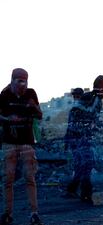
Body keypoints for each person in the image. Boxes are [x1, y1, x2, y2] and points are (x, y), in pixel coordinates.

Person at [0, 68, 43, 225]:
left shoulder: (31, 94)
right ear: (12, 80)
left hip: (27, 143)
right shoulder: (4, 95)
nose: (22, 85)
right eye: (20, 81)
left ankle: (34, 213)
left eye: (25, 81)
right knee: (8, 179)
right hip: (9, 142)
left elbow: (40, 115)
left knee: (30, 178)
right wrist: (8, 118)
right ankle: (7, 213)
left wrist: (34, 106)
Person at [63, 76, 103, 203]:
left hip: (75, 138)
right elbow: (89, 115)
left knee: (80, 165)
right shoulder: (95, 99)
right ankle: (85, 193)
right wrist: (99, 125)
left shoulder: (88, 98)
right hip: (81, 138)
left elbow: (77, 118)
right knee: (87, 164)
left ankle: (73, 190)